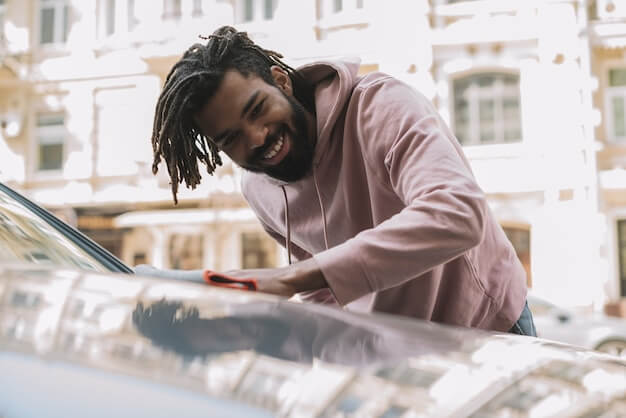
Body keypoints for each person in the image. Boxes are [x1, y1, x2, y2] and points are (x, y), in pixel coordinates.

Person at [146, 25, 536, 336]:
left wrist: (290, 278)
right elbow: (323, 297)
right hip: (400, 360)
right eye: (231, 138)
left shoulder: (380, 105)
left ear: (281, 81)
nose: (258, 137)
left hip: (486, 330)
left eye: (258, 109)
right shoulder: (258, 188)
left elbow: (459, 214)